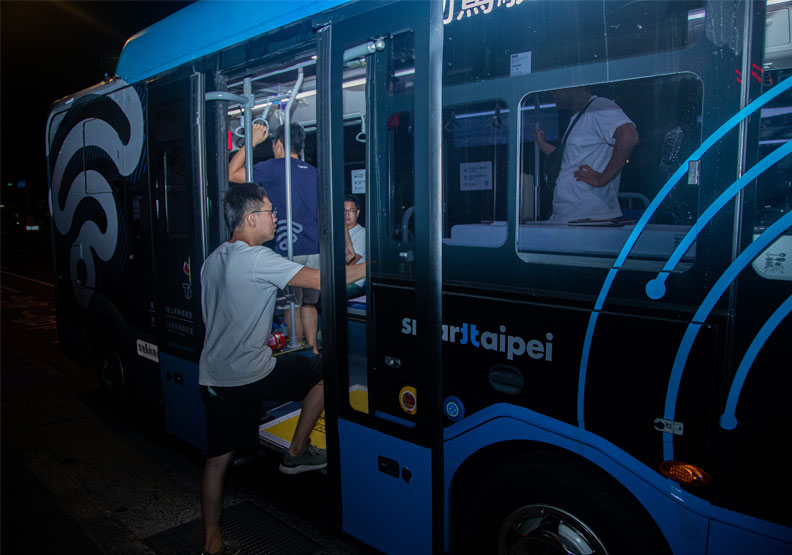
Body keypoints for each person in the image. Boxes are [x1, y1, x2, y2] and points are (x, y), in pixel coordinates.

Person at [198, 183, 365, 555]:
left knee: (216, 461)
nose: (276, 218)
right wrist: (382, 260)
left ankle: (212, 543)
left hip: (213, 376)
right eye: (271, 211)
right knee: (326, 369)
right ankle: (296, 452)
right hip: (250, 373)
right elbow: (322, 281)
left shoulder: (214, 259)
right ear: (252, 218)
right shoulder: (258, 258)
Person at [229, 122, 321, 355]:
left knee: (292, 305)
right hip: (315, 249)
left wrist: (250, 141)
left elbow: (232, 173)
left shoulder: (273, 167)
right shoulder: (314, 172)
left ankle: (298, 352)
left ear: (279, 143)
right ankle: (314, 349)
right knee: (309, 303)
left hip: (288, 248)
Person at [534, 86, 639, 223]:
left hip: (589, 216)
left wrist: (602, 178)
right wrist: (542, 144)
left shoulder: (600, 107)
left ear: (574, 86)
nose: (550, 92)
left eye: (556, 87)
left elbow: (628, 137)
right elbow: (568, 159)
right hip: (568, 215)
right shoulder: (579, 117)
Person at [343, 195, 366, 298]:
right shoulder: (339, 231)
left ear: (357, 213)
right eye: (344, 210)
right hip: (338, 278)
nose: (347, 214)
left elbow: (350, 261)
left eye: (351, 211)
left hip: (353, 283)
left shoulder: (361, 233)